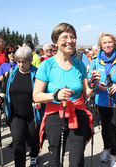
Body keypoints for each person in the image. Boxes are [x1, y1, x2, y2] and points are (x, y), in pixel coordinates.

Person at [33, 23, 100, 167]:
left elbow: (86, 93)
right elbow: (36, 96)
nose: (69, 40)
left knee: (77, 160)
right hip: (55, 115)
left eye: (73, 37)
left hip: (78, 114)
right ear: (56, 41)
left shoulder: (79, 65)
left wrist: (93, 84)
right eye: (65, 37)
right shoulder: (47, 65)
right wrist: (55, 95)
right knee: (55, 160)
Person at [88, 33, 116, 167]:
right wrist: (96, 85)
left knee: (114, 128)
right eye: (104, 43)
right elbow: (89, 79)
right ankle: (106, 148)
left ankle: (114, 155)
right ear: (101, 45)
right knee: (105, 128)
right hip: (101, 100)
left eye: (110, 42)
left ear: (114, 43)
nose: (107, 45)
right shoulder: (95, 60)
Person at [0, 46, 41, 167]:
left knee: (33, 138)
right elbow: (4, 90)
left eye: (24, 62)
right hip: (15, 113)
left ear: (30, 61)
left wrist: (39, 102)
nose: (20, 64)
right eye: (18, 62)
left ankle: (34, 155)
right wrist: (0, 97)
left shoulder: (37, 73)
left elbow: (42, 92)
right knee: (18, 140)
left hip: (32, 113)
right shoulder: (12, 73)